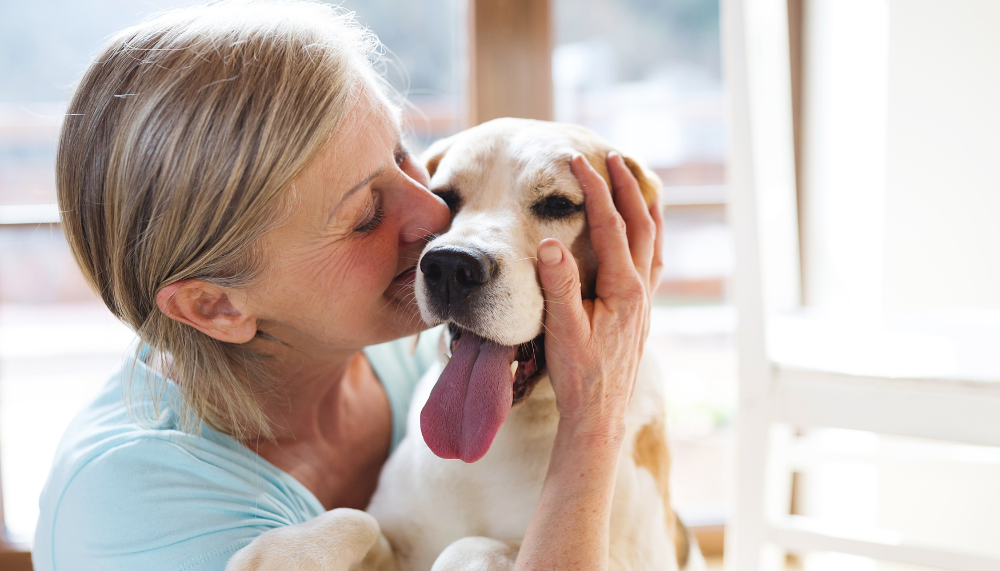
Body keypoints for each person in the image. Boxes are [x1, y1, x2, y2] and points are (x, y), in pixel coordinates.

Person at [32, 1, 664, 570]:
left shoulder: (397, 344)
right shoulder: (141, 520)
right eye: (363, 215)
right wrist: (593, 426)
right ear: (217, 304)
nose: (435, 222)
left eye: (401, 157)